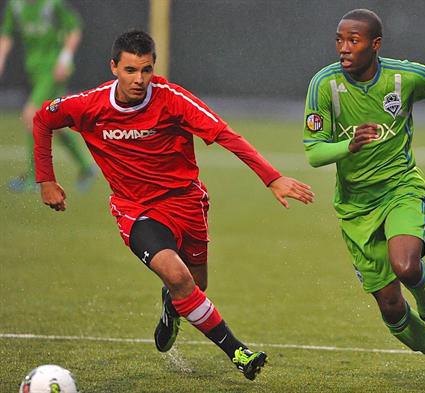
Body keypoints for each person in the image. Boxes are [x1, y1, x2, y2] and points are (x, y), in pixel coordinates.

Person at [33, 29, 315, 381]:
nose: (139, 79)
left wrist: (271, 178)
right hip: (135, 209)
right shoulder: (90, 106)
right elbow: (44, 117)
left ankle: (171, 305)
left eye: (146, 70)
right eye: (131, 70)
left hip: (186, 203)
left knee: (195, 286)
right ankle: (238, 352)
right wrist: (46, 179)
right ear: (114, 68)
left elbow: (227, 136)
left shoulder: (173, 99)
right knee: (178, 276)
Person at [303, 9, 425, 393]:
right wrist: (349, 144)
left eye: (353, 41)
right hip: (355, 207)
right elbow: (313, 153)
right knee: (391, 308)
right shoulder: (324, 85)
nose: (344, 48)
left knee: (406, 265)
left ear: (375, 45)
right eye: (339, 40)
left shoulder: (403, 76)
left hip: (400, 189)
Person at [0, 0, 95, 192]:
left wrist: (65, 58)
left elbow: (74, 29)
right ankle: (86, 166)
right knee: (55, 124)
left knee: (32, 115)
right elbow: (7, 34)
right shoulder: (15, 6)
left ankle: (35, 178)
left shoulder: (52, 4)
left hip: (53, 70)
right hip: (35, 70)